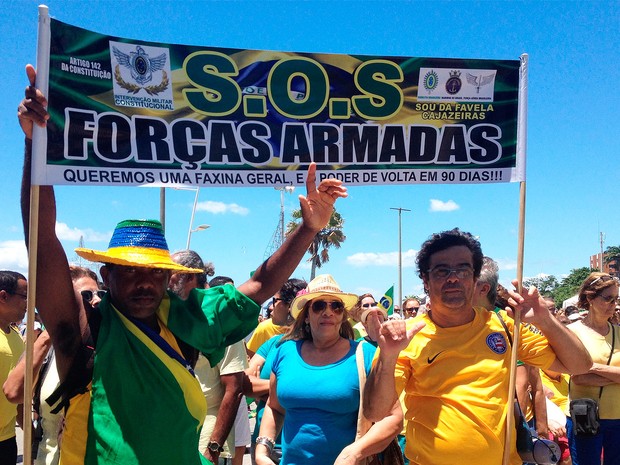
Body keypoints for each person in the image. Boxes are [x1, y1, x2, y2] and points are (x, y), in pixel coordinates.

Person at [18, 63, 347, 465]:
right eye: (130, 270)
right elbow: (43, 242)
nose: (144, 283)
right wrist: (36, 147)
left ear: (168, 277)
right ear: (107, 275)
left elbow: (259, 286)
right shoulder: (86, 325)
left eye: (154, 273)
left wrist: (309, 228)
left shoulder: (186, 321)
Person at [364, 228, 592, 465]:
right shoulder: (405, 338)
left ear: (474, 278)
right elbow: (376, 413)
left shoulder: (504, 326)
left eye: (463, 269)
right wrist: (388, 357)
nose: (453, 277)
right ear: (425, 279)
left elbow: (580, 365)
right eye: (442, 271)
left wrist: (546, 319)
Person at [255, 274, 402, 465]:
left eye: (336, 306)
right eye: (319, 306)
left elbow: (394, 418)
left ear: (342, 316)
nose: (328, 312)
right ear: (306, 315)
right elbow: (274, 407)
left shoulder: (364, 353)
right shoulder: (285, 352)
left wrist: (354, 453)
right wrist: (262, 449)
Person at [4, 266, 104, 465]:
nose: (97, 300)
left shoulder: (112, 346)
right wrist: (52, 333)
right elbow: (14, 392)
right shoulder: (45, 350)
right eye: (86, 295)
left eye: (100, 293)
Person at [170, 252, 245, 465]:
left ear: (191, 276)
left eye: (171, 274)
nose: (166, 281)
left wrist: (213, 447)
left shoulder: (220, 321)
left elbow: (234, 389)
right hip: (176, 431)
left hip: (207, 435)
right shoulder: (173, 315)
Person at [243, 278, 306, 465]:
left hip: (299, 446)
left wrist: (265, 393)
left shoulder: (318, 349)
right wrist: (282, 391)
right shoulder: (273, 343)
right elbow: (245, 383)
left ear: (290, 306)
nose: (271, 307)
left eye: (275, 301)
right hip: (265, 445)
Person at [566, 272, 620, 465]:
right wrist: (616, 377)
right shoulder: (572, 333)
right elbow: (578, 378)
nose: (613, 305)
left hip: (618, 417)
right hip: (584, 417)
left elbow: (583, 372)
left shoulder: (619, 332)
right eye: (608, 298)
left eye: (616, 299)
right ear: (590, 298)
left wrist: (592, 367)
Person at [0, 270, 27, 465]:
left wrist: (30, 432)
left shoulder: (17, 335)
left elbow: (18, 393)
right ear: (3, 296)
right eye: (25, 296)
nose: (29, 303)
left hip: (8, 439)